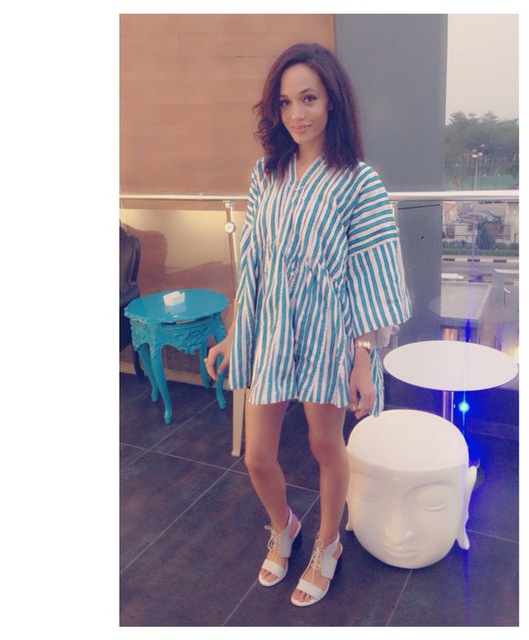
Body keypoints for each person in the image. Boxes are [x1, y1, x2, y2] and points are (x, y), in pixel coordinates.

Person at [205, 42, 411, 607]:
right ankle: (285, 526)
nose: (297, 113)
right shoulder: (265, 173)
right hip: (272, 329)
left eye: (309, 99)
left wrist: (363, 357)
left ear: (332, 102)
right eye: (286, 102)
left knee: (325, 445)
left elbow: (370, 273)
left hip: (329, 332)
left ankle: (327, 543)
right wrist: (234, 331)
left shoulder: (359, 182)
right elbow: (253, 262)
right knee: (257, 456)